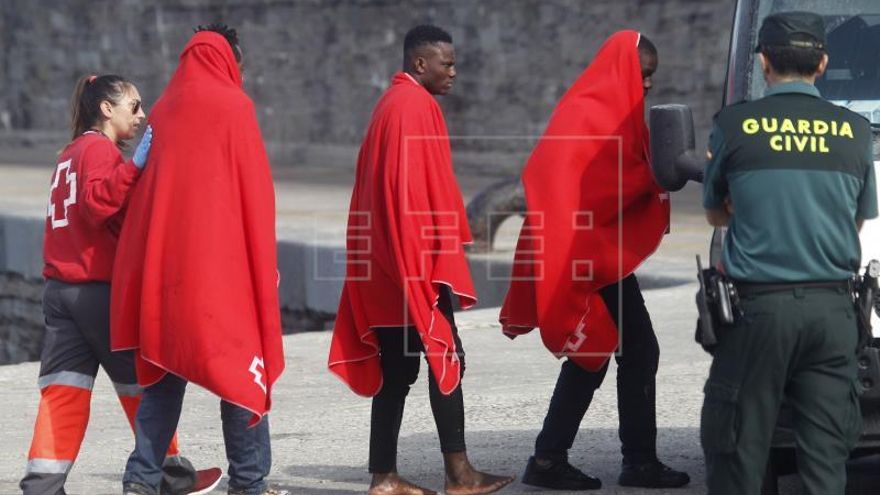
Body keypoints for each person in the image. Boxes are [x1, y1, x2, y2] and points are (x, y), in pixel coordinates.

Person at [499, 31, 690, 490]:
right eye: (641, 75)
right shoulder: (584, 113)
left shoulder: (619, 117)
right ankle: (578, 460)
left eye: (652, 78)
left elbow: (620, 173)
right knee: (614, 352)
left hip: (600, 254)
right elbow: (558, 178)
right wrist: (651, 176)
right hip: (581, 253)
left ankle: (576, 458)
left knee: (621, 351)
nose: (647, 86)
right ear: (621, 70)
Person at [328, 24, 514, 495]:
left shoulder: (392, 105)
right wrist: (425, 270)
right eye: (446, 63)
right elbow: (410, 196)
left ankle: (384, 478)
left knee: (398, 370)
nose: (453, 72)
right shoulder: (415, 107)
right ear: (419, 64)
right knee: (444, 357)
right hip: (408, 263)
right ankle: (460, 475)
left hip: (386, 263)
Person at [701, 11, 876, 494]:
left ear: (762, 63)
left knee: (740, 448)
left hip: (759, 312)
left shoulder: (735, 126)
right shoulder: (856, 131)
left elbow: (715, 214)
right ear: (822, 63)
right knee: (827, 456)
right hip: (833, 313)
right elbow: (857, 221)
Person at [21, 75, 221, 495]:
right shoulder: (98, 150)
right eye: (134, 105)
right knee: (147, 384)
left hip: (60, 290)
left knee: (63, 391)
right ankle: (170, 474)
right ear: (107, 108)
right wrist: (135, 169)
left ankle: (42, 485)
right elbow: (98, 205)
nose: (142, 114)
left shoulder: (69, 152)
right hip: (98, 290)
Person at [109, 25, 288, 495]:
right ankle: (249, 483)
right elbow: (255, 195)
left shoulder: (163, 112)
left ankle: (141, 481)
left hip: (167, 279)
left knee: (164, 383)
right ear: (230, 62)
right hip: (223, 279)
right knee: (239, 379)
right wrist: (262, 265)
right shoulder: (235, 107)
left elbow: (147, 203)